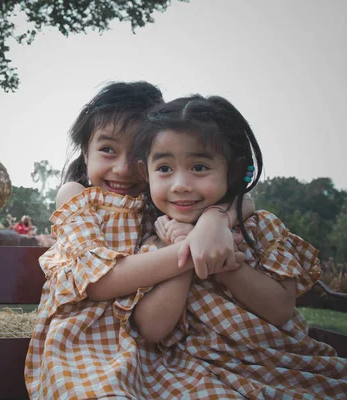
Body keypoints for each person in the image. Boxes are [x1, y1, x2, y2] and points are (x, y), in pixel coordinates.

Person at [131, 94, 347, 398]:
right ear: (145, 173)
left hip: (281, 363)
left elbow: (280, 309)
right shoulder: (154, 236)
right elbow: (153, 328)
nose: (180, 184)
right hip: (196, 369)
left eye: (199, 167)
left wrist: (228, 265)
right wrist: (184, 250)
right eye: (164, 168)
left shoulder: (260, 229)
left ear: (231, 171)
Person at [24, 82, 254, 399]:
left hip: (155, 350)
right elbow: (100, 282)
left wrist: (215, 219)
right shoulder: (77, 197)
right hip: (83, 345)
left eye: (136, 154)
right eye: (107, 149)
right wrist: (186, 247)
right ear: (85, 152)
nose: (122, 168)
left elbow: (244, 199)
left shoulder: (160, 202)